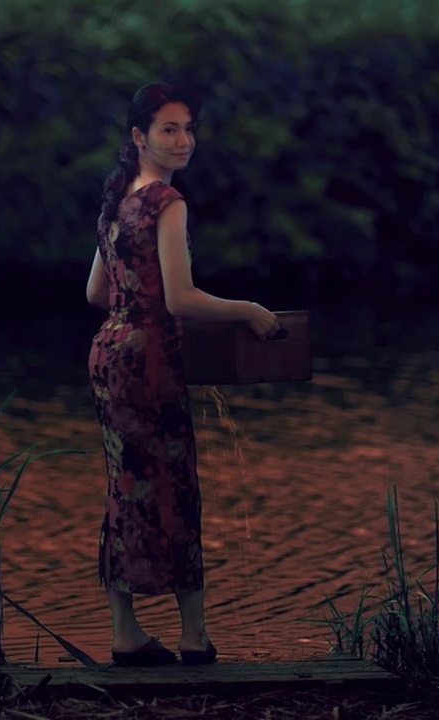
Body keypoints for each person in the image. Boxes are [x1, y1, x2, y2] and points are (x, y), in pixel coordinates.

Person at [85, 82, 280, 667]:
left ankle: (126, 631)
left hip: (108, 354)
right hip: (147, 362)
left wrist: (133, 308)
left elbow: (95, 292)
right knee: (175, 488)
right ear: (140, 137)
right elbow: (181, 299)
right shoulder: (168, 203)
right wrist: (247, 310)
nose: (183, 140)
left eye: (188, 128)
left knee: (126, 489)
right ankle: (193, 636)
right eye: (169, 129)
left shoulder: (116, 199)